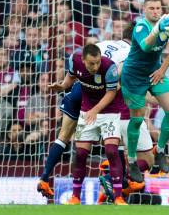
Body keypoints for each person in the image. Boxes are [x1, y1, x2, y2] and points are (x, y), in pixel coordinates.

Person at [121, 0, 169, 183]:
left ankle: (159, 151)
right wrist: (158, 29)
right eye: (151, 8)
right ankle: (132, 160)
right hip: (133, 77)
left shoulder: (166, 25)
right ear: (144, 10)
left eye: (158, 8)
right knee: (136, 120)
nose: (155, 11)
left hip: (155, 73)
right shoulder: (141, 27)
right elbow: (145, 46)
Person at [52, 44, 127, 205]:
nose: (95, 66)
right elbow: (70, 79)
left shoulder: (109, 67)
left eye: (97, 62)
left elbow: (112, 92)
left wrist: (96, 110)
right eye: (92, 63)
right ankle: (75, 197)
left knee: (112, 152)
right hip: (87, 112)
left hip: (109, 112)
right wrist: (62, 86)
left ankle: (119, 196)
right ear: (83, 60)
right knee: (80, 154)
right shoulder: (74, 60)